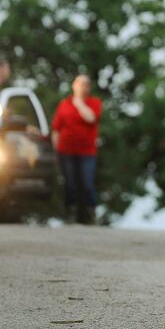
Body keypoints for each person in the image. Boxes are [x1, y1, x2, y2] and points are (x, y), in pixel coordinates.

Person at [51, 75, 102, 225]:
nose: (82, 87)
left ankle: (90, 215)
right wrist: (55, 150)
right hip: (65, 151)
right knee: (70, 183)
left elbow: (91, 118)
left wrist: (79, 103)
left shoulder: (94, 103)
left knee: (87, 183)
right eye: (79, 83)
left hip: (87, 152)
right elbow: (56, 129)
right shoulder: (64, 104)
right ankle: (70, 215)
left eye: (86, 84)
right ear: (74, 85)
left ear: (89, 87)